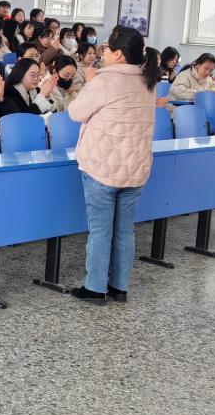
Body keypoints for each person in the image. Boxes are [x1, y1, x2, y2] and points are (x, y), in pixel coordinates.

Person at [67, 26, 159, 304]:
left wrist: (89, 82)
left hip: (102, 169)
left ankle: (95, 288)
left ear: (118, 54)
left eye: (107, 48)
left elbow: (75, 112)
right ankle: (119, 287)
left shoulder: (105, 80)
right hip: (135, 169)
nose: (103, 51)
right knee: (124, 231)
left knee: (100, 231)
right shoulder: (148, 81)